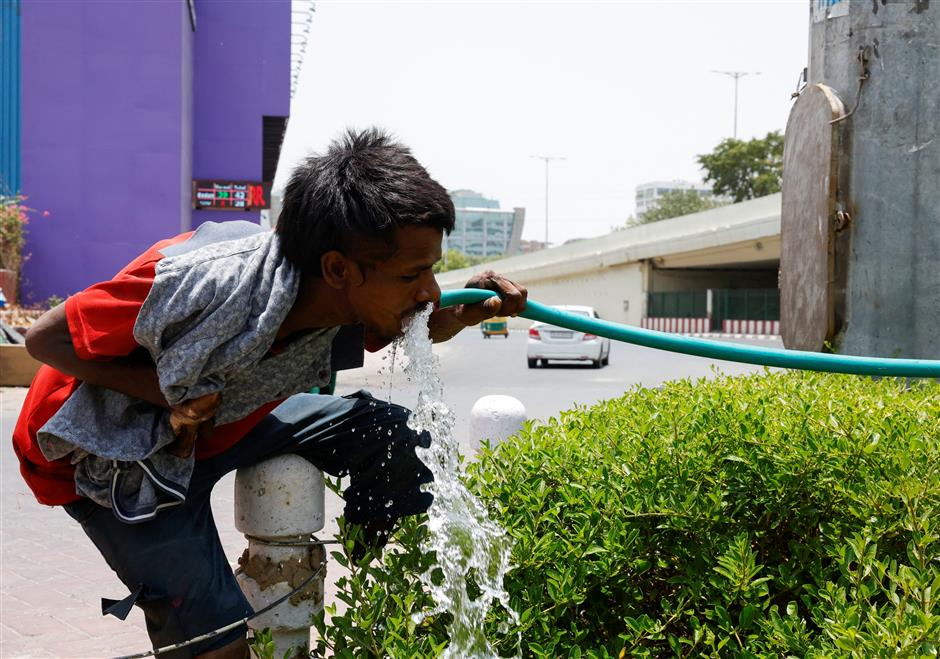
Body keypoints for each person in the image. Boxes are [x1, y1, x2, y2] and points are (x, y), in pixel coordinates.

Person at [13, 127, 527, 659]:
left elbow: (419, 324)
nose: (429, 292)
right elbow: (45, 338)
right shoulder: (201, 281)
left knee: (399, 439)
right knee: (218, 645)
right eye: (412, 276)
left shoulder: (339, 295)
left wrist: (463, 316)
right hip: (108, 454)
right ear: (337, 269)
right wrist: (166, 395)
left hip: (225, 420)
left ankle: (359, 571)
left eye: (432, 272)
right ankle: (191, 618)